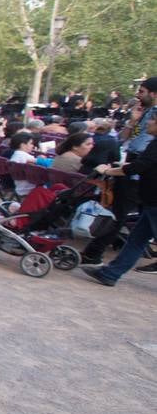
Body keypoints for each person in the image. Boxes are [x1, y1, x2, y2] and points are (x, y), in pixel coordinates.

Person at [80, 109, 157, 285]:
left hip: (154, 201)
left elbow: (140, 167)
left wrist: (109, 171)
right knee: (136, 239)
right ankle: (110, 274)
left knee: (137, 239)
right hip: (150, 200)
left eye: (152, 120)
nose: (148, 123)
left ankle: (111, 273)